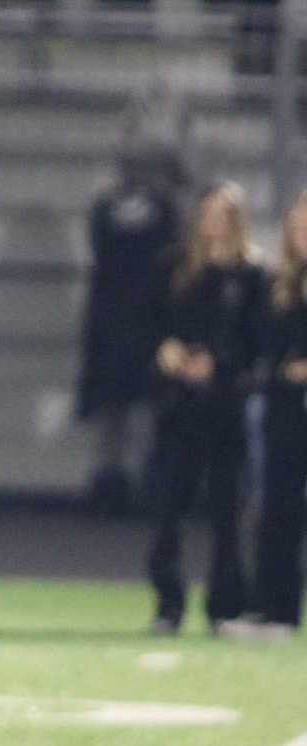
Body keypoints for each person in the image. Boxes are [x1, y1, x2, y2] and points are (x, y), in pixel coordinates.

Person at [145, 181, 268, 635]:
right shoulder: (175, 268)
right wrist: (166, 350)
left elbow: (258, 341)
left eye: (222, 215)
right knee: (167, 510)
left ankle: (224, 606)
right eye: (207, 214)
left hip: (226, 406)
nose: (213, 223)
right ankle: (168, 604)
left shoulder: (252, 274)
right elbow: (148, 324)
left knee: (226, 514)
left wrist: (219, 363)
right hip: (177, 406)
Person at [77, 145, 183, 514]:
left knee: (142, 412)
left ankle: (138, 484)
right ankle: (111, 482)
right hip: (116, 324)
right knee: (113, 413)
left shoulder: (161, 208)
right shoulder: (107, 208)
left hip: (148, 323)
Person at [250, 191, 307, 637]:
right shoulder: (276, 282)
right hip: (286, 406)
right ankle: (276, 609)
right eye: (299, 226)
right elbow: (259, 343)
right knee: (277, 508)